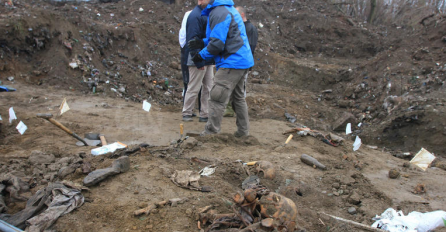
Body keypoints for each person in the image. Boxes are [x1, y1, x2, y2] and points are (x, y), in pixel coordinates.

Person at [188, 0, 254, 137]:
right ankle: (243, 132)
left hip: (231, 62)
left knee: (217, 98)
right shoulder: (227, 10)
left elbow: (217, 44)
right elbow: (224, 36)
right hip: (242, 60)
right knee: (238, 98)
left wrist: (201, 56)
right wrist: (202, 42)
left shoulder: (219, 13)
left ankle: (211, 132)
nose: (198, 2)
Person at [182, 0, 215, 122]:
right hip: (198, 58)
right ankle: (187, 112)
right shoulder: (195, 16)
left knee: (208, 87)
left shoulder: (205, 14)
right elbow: (192, 39)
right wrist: (198, 60)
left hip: (207, 57)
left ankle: (205, 114)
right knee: (194, 87)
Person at [224, 6, 258, 117]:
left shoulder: (250, 29)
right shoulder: (239, 26)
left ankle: (238, 112)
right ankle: (231, 109)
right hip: (236, 62)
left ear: (242, 15)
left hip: (242, 63)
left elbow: (251, 47)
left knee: (239, 89)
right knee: (232, 87)